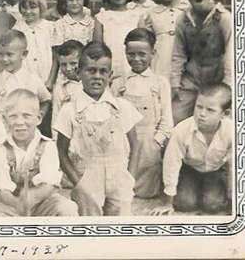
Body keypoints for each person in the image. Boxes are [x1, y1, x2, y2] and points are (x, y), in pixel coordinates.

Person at [54, 42, 142, 216]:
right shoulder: (70, 110)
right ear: (79, 73)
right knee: (90, 225)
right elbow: (61, 152)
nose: (97, 76)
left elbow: (136, 145)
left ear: (110, 75)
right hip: (87, 178)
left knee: (120, 225)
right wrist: (79, 184)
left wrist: (129, 178)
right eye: (91, 70)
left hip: (119, 178)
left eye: (103, 71)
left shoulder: (122, 107)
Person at [0, 89, 78, 216]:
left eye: (26, 116)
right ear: (4, 119)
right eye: (13, 116)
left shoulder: (47, 146)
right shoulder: (0, 150)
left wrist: (31, 197)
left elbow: (49, 184)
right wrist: (17, 203)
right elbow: (2, 190)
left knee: (66, 208)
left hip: (43, 203)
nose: (20, 122)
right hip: (12, 205)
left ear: (39, 118)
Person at [151, 83, 233, 215]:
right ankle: (190, 189)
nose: (202, 114)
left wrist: (232, 197)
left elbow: (234, 167)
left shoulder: (231, 131)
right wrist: (168, 203)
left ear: (225, 114)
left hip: (215, 171)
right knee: (185, 203)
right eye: (199, 107)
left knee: (213, 205)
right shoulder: (181, 130)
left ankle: (210, 191)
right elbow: (171, 164)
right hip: (189, 169)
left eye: (210, 110)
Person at [111, 28, 173, 198]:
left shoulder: (160, 83)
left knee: (147, 195)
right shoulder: (118, 83)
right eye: (131, 54)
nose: (136, 59)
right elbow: (112, 116)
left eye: (142, 54)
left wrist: (157, 142)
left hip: (149, 146)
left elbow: (167, 119)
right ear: (125, 53)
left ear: (153, 53)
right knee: (121, 192)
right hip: (124, 144)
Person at [170, 0, 232, 124]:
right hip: (191, 80)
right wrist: (175, 82)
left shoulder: (224, 18)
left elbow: (232, 56)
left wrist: (227, 86)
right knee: (174, 116)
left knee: (217, 121)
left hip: (217, 80)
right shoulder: (182, 20)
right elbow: (178, 53)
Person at [0, 30, 51, 118]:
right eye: (1, 54)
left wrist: (37, 118)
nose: (4, 59)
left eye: (9, 54)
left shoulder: (33, 80)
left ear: (24, 54)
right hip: (2, 130)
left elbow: (45, 100)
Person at [138, 0, 190, 81]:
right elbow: (144, 44)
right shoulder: (150, 14)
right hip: (160, 62)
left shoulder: (189, 10)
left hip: (185, 62)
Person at [96, 0, 140, 79]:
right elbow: (97, 47)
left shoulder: (137, 16)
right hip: (110, 68)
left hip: (132, 66)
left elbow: (142, 44)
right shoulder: (101, 18)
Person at [51, 39, 83, 136]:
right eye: (63, 65)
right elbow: (56, 118)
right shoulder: (60, 88)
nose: (68, 69)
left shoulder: (89, 83)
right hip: (69, 137)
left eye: (73, 63)